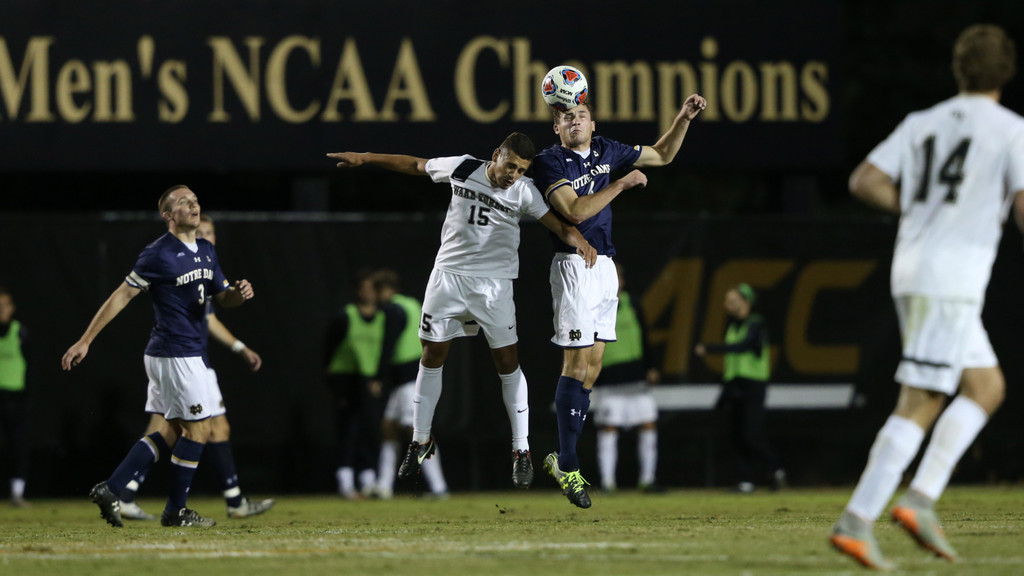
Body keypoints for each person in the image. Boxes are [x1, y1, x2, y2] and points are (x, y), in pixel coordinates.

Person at [829, 24, 1023, 570]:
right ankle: (857, 520)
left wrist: (919, 210)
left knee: (986, 387)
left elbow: (865, 180)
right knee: (922, 400)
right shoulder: (1012, 130)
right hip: (951, 280)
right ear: (1007, 72)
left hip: (915, 267)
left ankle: (919, 499)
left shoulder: (922, 122)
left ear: (958, 70)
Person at [327, 132, 597, 490]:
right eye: (511, 165)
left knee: (507, 362)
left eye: (521, 170)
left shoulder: (524, 191)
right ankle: (420, 440)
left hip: (493, 287)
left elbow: (559, 225)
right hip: (448, 279)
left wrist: (581, 241)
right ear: (496, 154)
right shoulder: (463, 167)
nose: (513, 174)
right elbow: (415, 165)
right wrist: (366, 156)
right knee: (432, 355)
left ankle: (521, 449)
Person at [531, 91, 706, 508]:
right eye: (566, 117)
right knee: (576, 365)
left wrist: (682, 118)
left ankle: (563, 459)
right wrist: (622, 183)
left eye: (581, 114)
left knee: (591, 370)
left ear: (593, 123)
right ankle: (569, 464)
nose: (575, 120)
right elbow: (575, 211)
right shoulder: (549, 161)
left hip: (606, 267)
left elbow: (662, 155)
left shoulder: (608, 149)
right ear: (556, 127)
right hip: (573, 265)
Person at [62, 185, 255, 528]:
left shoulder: (206, 250)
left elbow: (223, 298)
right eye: (184, 202)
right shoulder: (158, 253)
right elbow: (122, 295)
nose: (193, 205)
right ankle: (175, 511)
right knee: (200, 430)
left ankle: (113, 488)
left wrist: (239, 294)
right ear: (168, 215)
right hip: (174, 353)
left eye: (195, 199)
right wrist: (85, 340)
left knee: (171, 430)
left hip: (183, 354)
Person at [116, 213, 275, 521]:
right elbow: (128, 293)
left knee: (202, 429)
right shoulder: (175, 261)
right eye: (200, 231)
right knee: (173, 430)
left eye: (209, 232)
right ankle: (129, 493)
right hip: (182, 360)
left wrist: (240, 347)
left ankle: (128, 492)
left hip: (191, 362)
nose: (205, 237)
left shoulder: (205, 267)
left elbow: (211, 317)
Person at [694, 283, 785, 494]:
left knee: (751, 434)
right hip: (735, 383)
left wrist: (710, 349)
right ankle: (746, 480)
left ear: (746, 302)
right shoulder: (733, 325)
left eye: (733, 300)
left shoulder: (756, 324)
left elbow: (743, 346)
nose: (727, 305)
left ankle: (777, 468)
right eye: (727, 301)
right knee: (736, 435)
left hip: (753, 384)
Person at [372, 269, 448, 499]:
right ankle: (384, 486)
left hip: (408, 379)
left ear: (384, 289)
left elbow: (388, 344)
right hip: (409, 377)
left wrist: (378, 376)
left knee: (417, 431)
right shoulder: (412, 304)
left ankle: (439, 488)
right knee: (389, 428)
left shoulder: (393, 309)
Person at [591, 262, 663, 494]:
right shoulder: (593, 305)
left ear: (622, 280)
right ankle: (607, 483)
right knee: (608, 428)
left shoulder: (634, 304)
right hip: (608, 379)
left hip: (636, 378)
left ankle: (647, 480)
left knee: (648, 425)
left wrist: (651, 367)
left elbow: (645, 336)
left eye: (618, 277)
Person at [323, 269, 389, 499]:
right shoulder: (346, 315)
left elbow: (384, 351)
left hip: (369, 381)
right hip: (345, 378)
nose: (368, 293)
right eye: (364, 288)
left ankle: (368, 481)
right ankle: (345, 482)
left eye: (372, 289)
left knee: (370, 430)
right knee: (347, 430)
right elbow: (329, 349)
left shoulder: (382, 317)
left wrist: (378, 378)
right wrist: (332, 383)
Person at [0, 286, 31, 507]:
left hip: (14, 397)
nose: (1, 310)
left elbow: (32, 366)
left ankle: (17, 493)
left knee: (17, 445)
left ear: (12, 308)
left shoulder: (19, 332)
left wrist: (28, 397)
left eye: (4, 305)